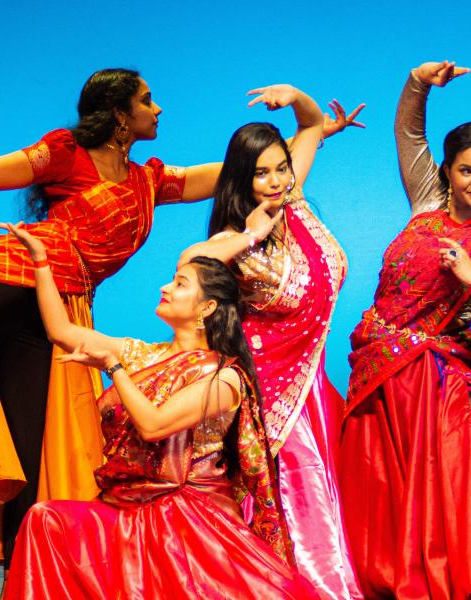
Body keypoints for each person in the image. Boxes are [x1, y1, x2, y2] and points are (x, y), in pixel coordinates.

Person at [0, 68, 354, 567]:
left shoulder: (149, 181)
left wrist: (310, 135)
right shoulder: (66, 153)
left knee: (32, 456)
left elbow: (249, 173)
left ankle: (26, 577)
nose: (159, 109)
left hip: (61, 302)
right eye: (148, 101)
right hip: (23, 269)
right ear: (120, 115)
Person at [0, 220, 317, 599]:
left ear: (207, 307)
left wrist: (114, 368)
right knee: (45, 519)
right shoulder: (144, 355)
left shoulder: (222, 378)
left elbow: (153, 425)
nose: (165, 287)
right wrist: (42, 262)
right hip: (127, 503)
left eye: (180, 284)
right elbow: (61, 332)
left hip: (186, 518)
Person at [339, 60, 471, 600]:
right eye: (466, 170)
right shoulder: (426, 203)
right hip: (380, 369)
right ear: (448, 172)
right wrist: (415, 82)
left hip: (444, 364)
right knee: (390, 482)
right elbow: (408, 131)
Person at [176, 86, 364, 599]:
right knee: (296, 494)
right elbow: (193, 262)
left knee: (317, 495)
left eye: (282, 167)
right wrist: (251, 236)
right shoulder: (234, 236)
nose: (278, 180)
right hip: (268, 391)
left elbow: (309, 126)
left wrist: (299, 96)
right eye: (263, 173)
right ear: (241, 178)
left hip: (313, 386)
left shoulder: (293, 198)